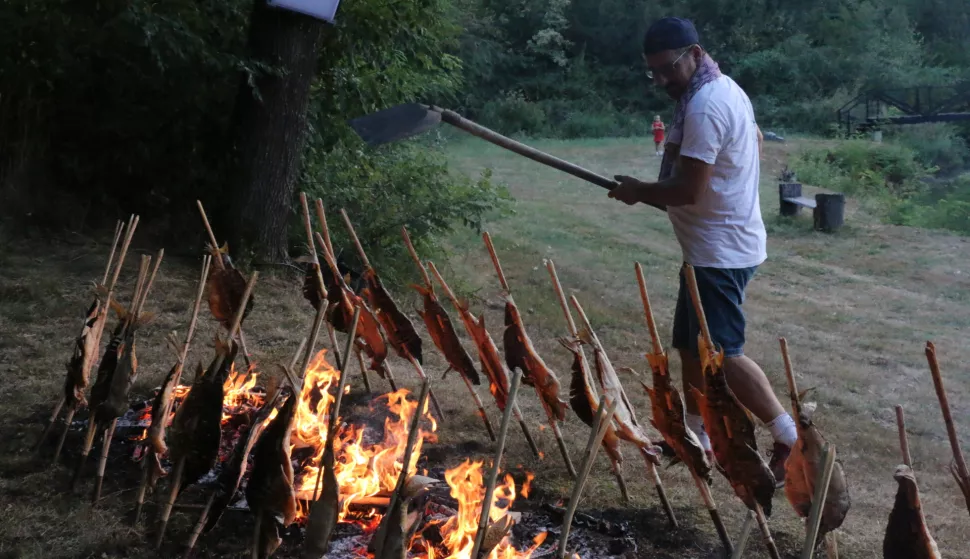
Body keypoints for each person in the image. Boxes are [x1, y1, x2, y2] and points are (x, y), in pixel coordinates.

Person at [607, 17, 793, 484]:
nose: (661, 79)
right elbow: (755, 141)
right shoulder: (719, 89)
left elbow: (689, 189)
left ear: (694, 53)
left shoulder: (708, 104)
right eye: (653, 71)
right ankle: (697, 436)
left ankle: (790, 438)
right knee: (690, 346)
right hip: (708, 247)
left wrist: (639, 191)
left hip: (722, 252)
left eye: (668, 68)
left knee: (723, 356)